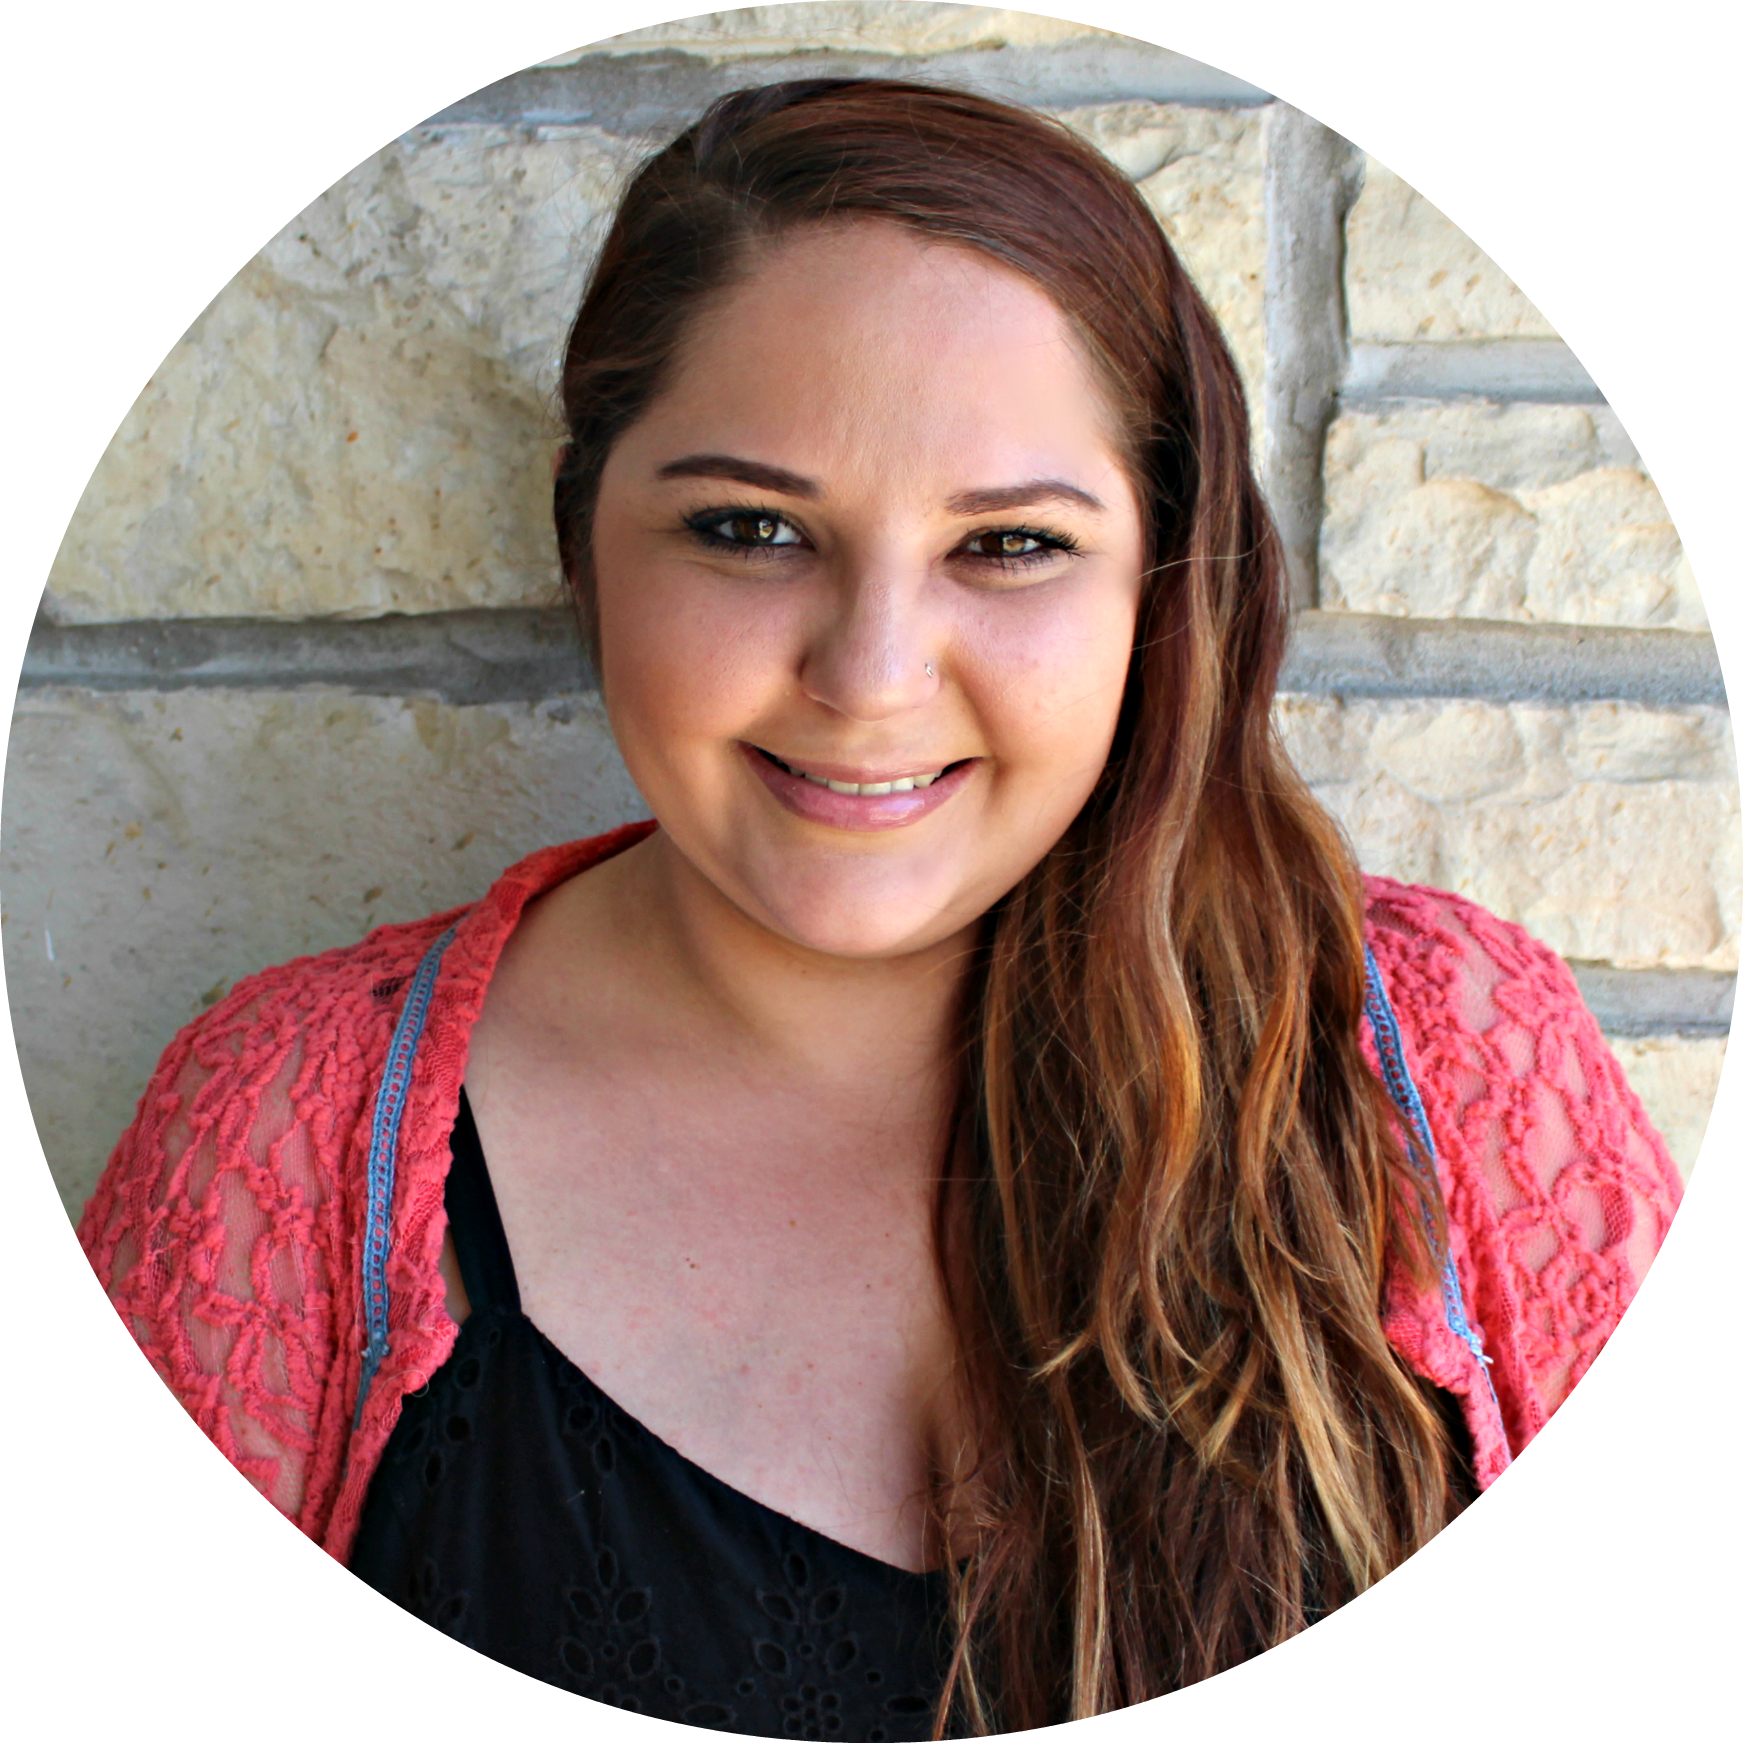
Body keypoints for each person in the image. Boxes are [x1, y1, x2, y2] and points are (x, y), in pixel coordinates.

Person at [76, 79, 1682, 1736]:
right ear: (583, 542)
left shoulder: (1451, 1074)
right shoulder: (288, 1132)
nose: (869, 677)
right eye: (750, 528)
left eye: (1005, 546)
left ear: (1161, 575)